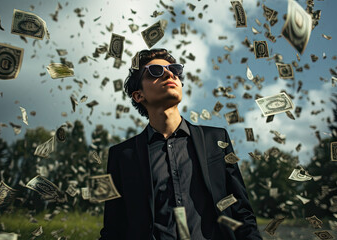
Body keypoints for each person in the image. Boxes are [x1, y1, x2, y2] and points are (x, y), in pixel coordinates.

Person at [99, 48, 262, 240]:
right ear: (138, 95)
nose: (170, 74)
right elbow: (114, 228)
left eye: (174, 69)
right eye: (155, 72)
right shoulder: (122, 155)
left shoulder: (216, 140)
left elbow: (241, 212)